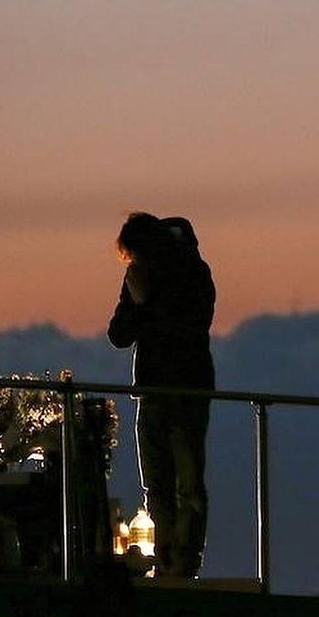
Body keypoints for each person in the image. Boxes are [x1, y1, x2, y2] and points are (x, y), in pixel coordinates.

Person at [108, 212, 216, 578]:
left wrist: (145, 302)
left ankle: (185, 562)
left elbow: (188, 324)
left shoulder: (193, 274)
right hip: (153, 392)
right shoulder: (141, 279)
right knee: (157, 485)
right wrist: (138, 302)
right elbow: (118, 334)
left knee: (188, 486)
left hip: (184, 391)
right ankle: (168, 559)